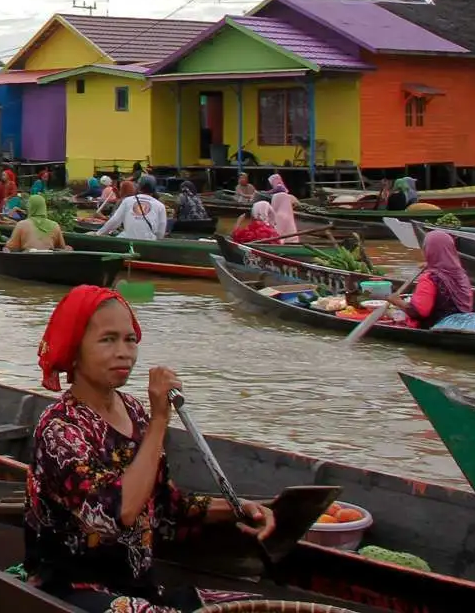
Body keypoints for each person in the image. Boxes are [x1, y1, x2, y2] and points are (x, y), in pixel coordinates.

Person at [25, 286, 274, 611]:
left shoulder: (134, 411)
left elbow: (165, 506)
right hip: (72, 589)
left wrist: (240, 508)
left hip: (139, 588)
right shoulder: (61, 427)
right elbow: (121, 513)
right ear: (75, 351)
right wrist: (160, 419)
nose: (124, 352)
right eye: (107, 339)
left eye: (130, 339)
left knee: (256, 607)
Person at [387, 231, 475, 330]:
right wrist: (430, 264)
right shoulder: (460, 273)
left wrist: (397, 301)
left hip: (437, 324)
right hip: (460, 317)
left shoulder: (429, 278)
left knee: (390, 312)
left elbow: (418, 312)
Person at [98, 180, 167, 240]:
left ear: (139, 187)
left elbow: (115, 221)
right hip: (148, 243)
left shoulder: (127, 201)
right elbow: (161, 233)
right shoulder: (160, 206)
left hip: (127, 241)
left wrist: (98, 233)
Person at [266, 176, 299, 242]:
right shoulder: (288, 214)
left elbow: (276, 235)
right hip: (293, 242)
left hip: (286, 244)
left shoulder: (280, 216)